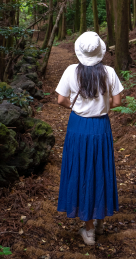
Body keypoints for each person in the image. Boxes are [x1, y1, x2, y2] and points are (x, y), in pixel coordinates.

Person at [55, 31, 124, 246]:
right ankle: (99, 221)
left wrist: (75, 107)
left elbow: (60, 99)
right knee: (100, 170)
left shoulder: (70, 71)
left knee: (81, 172)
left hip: (78, 126)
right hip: (101, 127)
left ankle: (89, 230)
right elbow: (118, 101)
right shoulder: (109, 72)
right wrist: (101, 107)